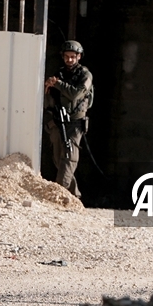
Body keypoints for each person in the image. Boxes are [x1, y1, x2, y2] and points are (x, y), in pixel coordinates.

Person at [44, 40, 93, 198]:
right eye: (67, 56)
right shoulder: (60, 73)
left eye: (73, 57)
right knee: (59, 159)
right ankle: (74, 196)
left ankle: (60, 194)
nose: (69, 60)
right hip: (59, 120)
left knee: (69, 157)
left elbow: (75, 94)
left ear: (79, 57)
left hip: (75, 122)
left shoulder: (85, 75)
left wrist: (57, 84)